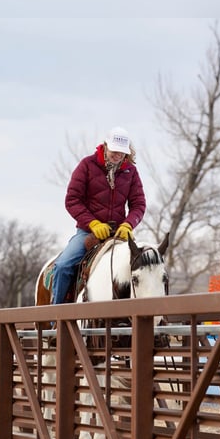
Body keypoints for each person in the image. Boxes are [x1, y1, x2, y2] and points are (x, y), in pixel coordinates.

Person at [49, 126, 147, 305]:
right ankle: (56, 316)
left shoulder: (130, 172)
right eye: (114, 151)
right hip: (87, 232)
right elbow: (72, 200)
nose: (117, 155)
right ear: (105, 146)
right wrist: (93, 223)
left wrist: (128, 225)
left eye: (121, 152)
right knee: (63, 266)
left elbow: (138, 204)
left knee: (144, 267)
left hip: (119, 233)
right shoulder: (87, 165)